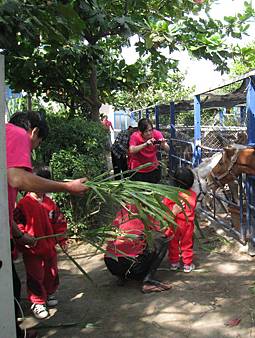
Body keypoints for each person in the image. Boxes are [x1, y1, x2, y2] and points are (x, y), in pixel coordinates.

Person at [6, 110, 88, 338]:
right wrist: (67, 186)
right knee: (10, 287)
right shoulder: (16, 133)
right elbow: (17, 178)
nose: (33, 148)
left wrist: (17, 235)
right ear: (34, 132)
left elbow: (5, 207)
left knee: (10, 285)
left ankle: (12, 329)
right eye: (38, 142)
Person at [13, 166, 68, 320]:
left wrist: (62, 238)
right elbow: (18, 223)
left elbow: (58, 222)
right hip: (33, 249)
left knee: (51, 273)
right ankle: (37, 302)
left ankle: (50, 293)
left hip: (49, 247)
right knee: (35, 275)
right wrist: (23, 238)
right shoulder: (24, 203)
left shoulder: (50, 203)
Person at [104, 205, 172, 293]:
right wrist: (173, 213)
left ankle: (122, 277)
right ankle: (148, 281)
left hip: (111, 264)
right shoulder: (145, 212)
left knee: (130, 244)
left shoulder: (122, 211)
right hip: (133, 266)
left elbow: (110, 236)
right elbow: (161, 229)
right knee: (162, 240)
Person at [164, 167, 197, 273]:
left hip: (173, 222)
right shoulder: (192, 195)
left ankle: (174, 263)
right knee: (186, 243)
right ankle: (187, 264)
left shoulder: (170, 194)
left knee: (172, 243)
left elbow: (165, 208)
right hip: (187, 224)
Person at [128, 118, 169, 183]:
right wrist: (145, 144)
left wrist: (163, 144)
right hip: (138, 170)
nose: (149, 133)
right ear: (141, 131)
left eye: (150, 130)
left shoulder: (156, 133)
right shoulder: (135, 136)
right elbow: (131, 150)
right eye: (146, 131)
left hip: (153, 168)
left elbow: (167, 149)